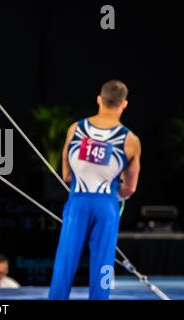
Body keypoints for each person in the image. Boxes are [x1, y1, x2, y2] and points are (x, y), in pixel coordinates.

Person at [48, 80, 141, 300]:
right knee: (103, 264)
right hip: (106, 205)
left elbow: (67, 176)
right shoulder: (130, 140)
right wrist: (117, 192)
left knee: (65, 262)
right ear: (124, 104)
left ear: (99, 100)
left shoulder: (76, 129)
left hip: (77, 202)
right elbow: (130, 187)